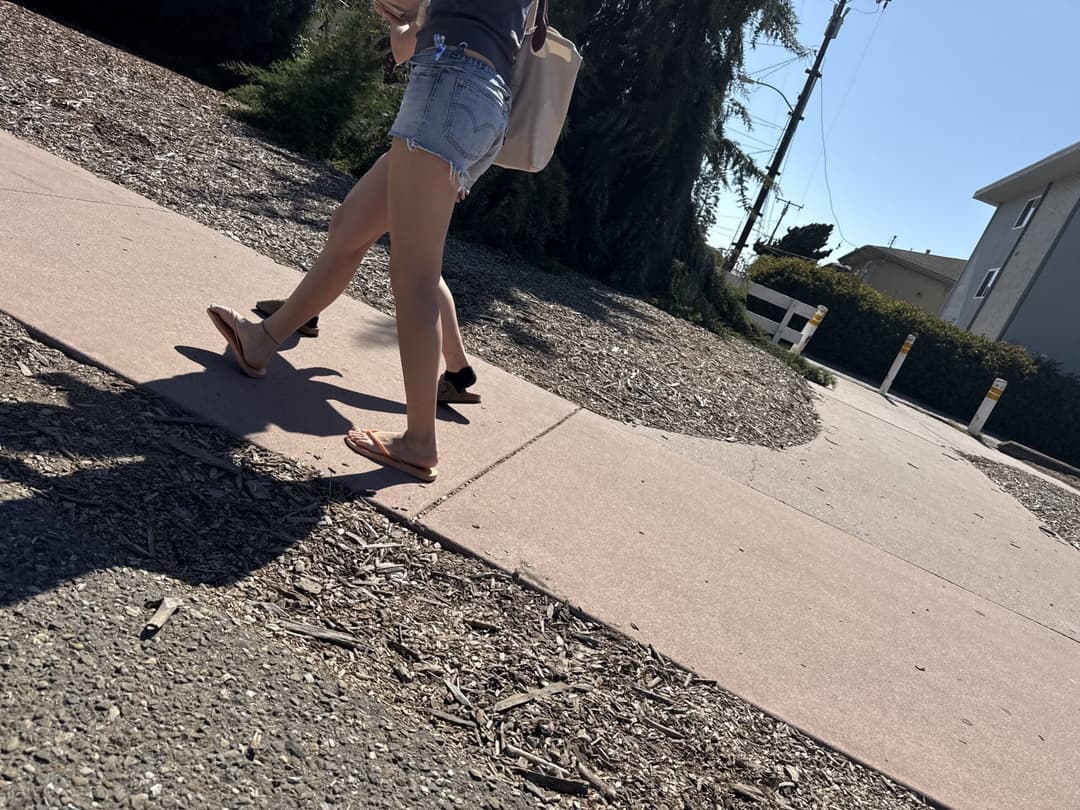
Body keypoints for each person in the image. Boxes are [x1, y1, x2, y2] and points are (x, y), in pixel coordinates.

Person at [209, 0, 534, 482]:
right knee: (350, 227)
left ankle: (419, 440)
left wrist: (406, 14)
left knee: (415, 277)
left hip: (448, 87)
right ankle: (261, 341)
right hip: (476, 103)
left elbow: (415, 36)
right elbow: (412, 43)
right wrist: (410, 21)